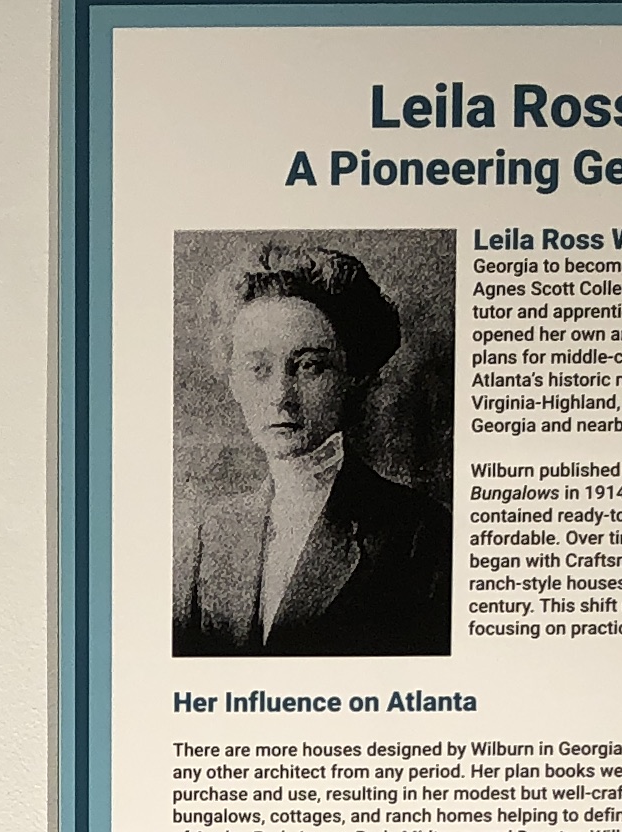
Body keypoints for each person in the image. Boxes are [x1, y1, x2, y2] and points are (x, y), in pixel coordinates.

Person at [173, 243, 448, 657]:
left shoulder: (416, 535)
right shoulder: (211, 535)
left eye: (310, 366)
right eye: (258, 368)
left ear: (351, 376)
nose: (281, 396)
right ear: (233, 380)